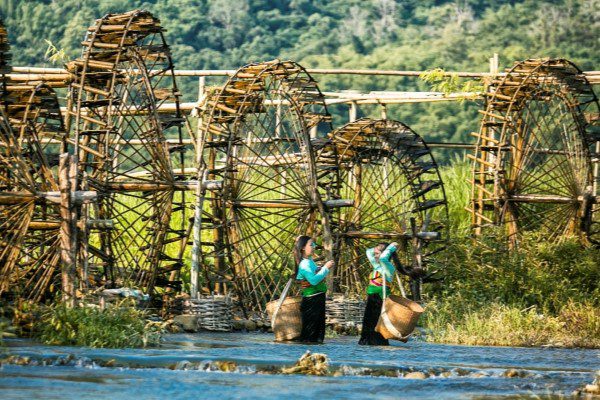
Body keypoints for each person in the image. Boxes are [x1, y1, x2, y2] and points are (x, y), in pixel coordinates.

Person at [358, 242, 400, 346]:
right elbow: (368, 252)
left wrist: (391, 247)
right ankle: (366, 342)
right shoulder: (376, 265)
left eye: (377, 253)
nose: (375, 256)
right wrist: (377, 249)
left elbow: (383, 258)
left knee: (377, 322)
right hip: (372, 296)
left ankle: (378, 343)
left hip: (381, 298)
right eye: (375, 253)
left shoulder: (388, 267)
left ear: (385, 254)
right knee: (368, 321)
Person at [294, 235, 333, 343]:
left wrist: (320, 269)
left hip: (317, 298)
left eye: (314, 244)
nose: (314, 247)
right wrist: (325, 268)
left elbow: (314, 273)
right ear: (302, 248)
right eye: (311, 245)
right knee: (311, 332)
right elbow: (314, 281)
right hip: (312, 300)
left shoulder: (309, 261)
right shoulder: (304, 264)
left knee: (318, 329)